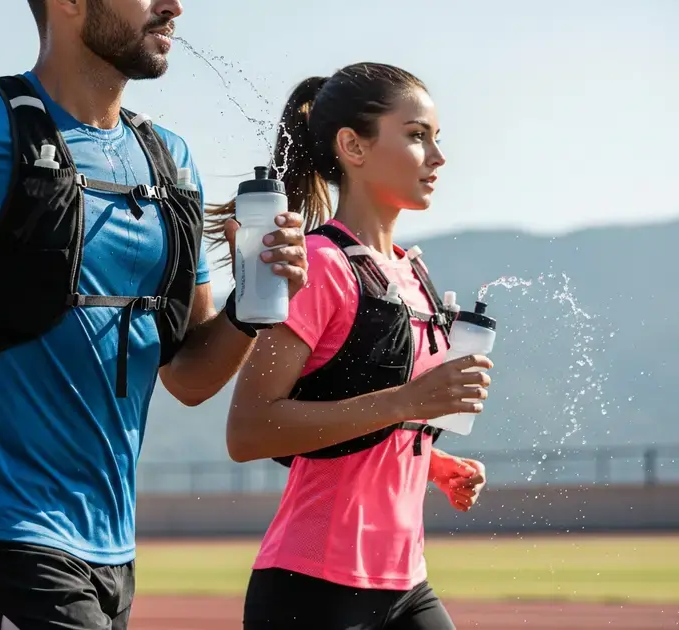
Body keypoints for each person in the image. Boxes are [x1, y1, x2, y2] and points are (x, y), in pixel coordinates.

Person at [0, 1, 308, 628]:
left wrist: (253, 304)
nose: (175, 5)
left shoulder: (170, 159)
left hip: (110, 548)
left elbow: (190, 378)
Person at [207, 62, 492, 629]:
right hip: (313, 589)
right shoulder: (318, 264)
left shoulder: (414, 274)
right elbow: (249, 431)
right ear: (352, 147)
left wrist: (430, 460)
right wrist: (410, 403)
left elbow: (358, 408)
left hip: (407, 582)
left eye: (437, 138)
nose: (437, 157)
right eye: (416, 136)